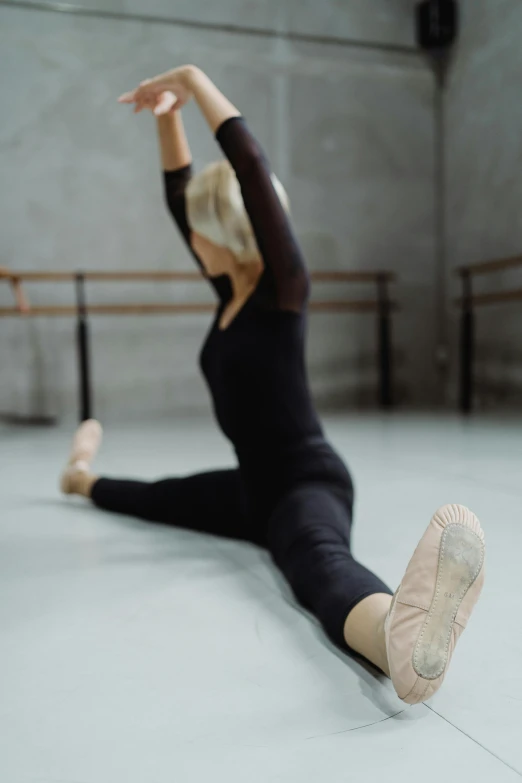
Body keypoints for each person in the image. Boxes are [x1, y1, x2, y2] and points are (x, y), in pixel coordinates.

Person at [60, 65, 485, 705]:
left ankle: (400, 637)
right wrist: (167, 113)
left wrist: (196, 84)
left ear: (220, 234)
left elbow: (250, 169)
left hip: (305, 480)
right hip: (251, 487)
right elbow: (180, 198)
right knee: (154, 497)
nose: (189, 237)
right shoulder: (227, 291)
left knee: (315, 563)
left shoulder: (282, 292)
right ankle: (81, 476)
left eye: (198, 229)